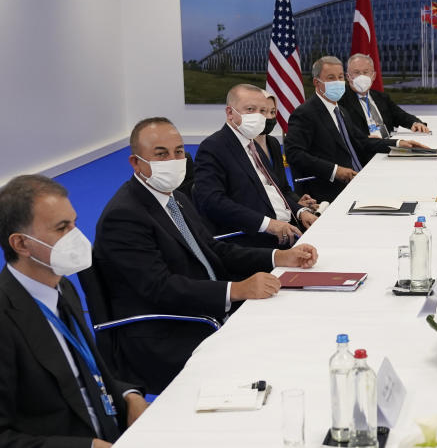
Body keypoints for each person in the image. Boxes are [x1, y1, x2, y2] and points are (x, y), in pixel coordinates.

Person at [93, 117, 319, 394]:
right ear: (136, 163)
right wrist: (236, 290)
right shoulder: (125, 216)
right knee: (274, 354)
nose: (174, 160)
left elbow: (215, 250)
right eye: (160, 154)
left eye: (178, 152)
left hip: (204, 307)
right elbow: (159, 288)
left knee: (294, 323)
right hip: (170, 329)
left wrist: (278, 258)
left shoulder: (175, 197)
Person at [0, 175, 148, 447]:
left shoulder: (63, 285)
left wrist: (129, 396)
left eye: (74, 223)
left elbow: (87, 373)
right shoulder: (5, 319)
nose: (77, 238)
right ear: (21, 244)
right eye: (62, 228)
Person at [285, 56, 430, 203]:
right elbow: (294, 153)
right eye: (331, 78)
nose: (338, 81)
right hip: (326, 190)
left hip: (356, 179)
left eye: (340, 77)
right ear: (317, 82)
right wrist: (335, 170)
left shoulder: (339, 110)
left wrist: (399, 144)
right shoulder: (305, 113)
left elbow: (361, 140)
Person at [193, 84, 317, 249]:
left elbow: (276, 190)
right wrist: (269, 225)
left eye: (262, 111)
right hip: (253, 239)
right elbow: (213, 202)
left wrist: (301, 211)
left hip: (288, 228)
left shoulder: (253, 145)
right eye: (250, 109)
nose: (259, 117)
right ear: (230, 113)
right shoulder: (213, 147)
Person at [259, 90, 326, 214]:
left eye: (272, 112)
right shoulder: (244, 147)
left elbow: (283, 187)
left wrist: (297, 201)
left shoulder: (272, 142)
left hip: (285, 212)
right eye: (263, 111)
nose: (269, 117)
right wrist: (295, 207)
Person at [339, 53, 430, 138]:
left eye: (366, 72)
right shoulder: (341, 100)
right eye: (357, 72)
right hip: (365, 150)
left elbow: (401, 116)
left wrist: (415, 123)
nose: (361, 76)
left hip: (388, 145)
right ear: (348, 77)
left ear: (373, 76)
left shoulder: (382, 97)